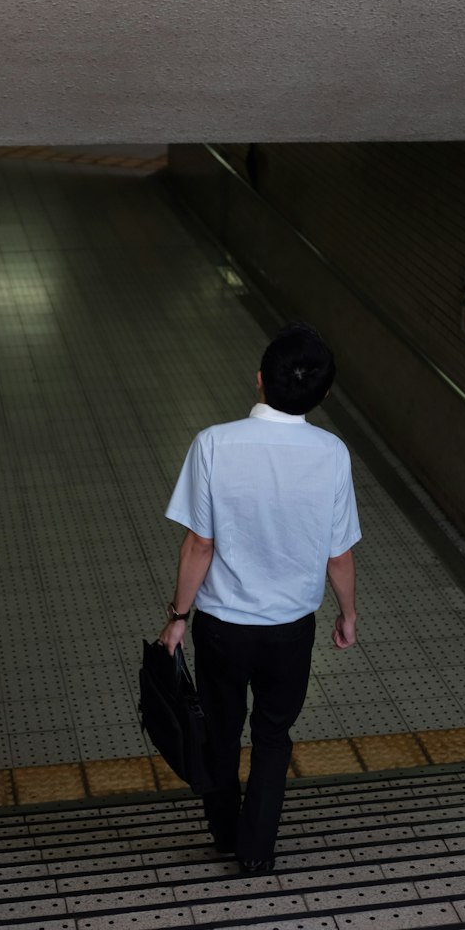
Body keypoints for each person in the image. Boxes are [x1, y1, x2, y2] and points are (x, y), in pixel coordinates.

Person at [159, 323, 361, 873]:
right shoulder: (332, 454)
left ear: (258, 381)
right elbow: (337, 556)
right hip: (291, 629)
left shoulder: (214, 444)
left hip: (221, 625)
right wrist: (347, 613)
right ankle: (255, 851)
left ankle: (224, 831)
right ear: (321, 396)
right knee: (274, 734)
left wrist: (178, 617)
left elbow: (200, 543)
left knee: (221, 731)